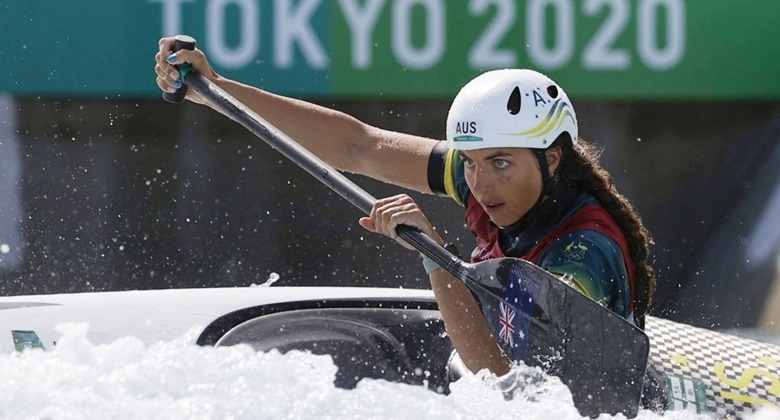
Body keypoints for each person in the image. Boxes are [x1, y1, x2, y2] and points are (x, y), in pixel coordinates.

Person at [155, 38, 656, 378]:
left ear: (551, 159)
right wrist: (218, 91)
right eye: (472, 163)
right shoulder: (495, 177)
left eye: (499, 163)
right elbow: (359, 145)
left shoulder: (583, 255)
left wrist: (434, 255)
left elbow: (502, 380)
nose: (480, 184)